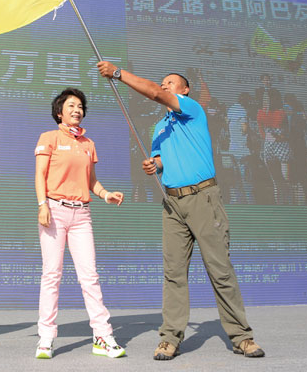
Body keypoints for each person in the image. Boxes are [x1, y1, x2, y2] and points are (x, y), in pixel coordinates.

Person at [97, 62, 264, 361]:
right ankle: (169, 338)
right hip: (172, 203)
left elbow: (154, 93)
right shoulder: (160, 127)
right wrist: (154, 164)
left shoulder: (192, 109)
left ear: (185, 90)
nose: (165, 86)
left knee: (220, 270)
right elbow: (161, 158)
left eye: (170, 83)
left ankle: (242, 337)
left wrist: (118, 73)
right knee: (173, 273)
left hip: (203, 198)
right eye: (163, 82)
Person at [34, 88, 125, 360]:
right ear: (59, 112)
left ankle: (102, 336)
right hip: (54, 211)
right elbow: (40, 174)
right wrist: (42, 204)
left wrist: (106, 194)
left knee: (90, 276)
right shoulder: (49, 138)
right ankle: (46, 338)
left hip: (81, 215)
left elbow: (91, 181)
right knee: (52, 275)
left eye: (80, 106)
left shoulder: (88, 143)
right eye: (71, 106)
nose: (77, 110)